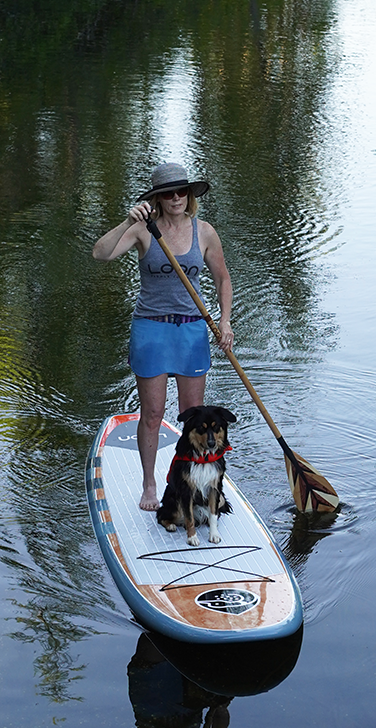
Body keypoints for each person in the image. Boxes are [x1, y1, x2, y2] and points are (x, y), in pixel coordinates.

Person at [93, 162, 234, 511]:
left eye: (181, 191)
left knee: (193, 416)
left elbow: (223, 280)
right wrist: (128, 222)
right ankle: (150, 485)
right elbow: (100, 253)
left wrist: (226, 322)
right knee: (153, 414)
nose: (176, 197)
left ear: (189, 194)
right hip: (151, 328)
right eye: (168, 193)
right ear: (156, 197)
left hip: (191, 329)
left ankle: (191, 483)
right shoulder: (143, 229)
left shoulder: (205, 232)